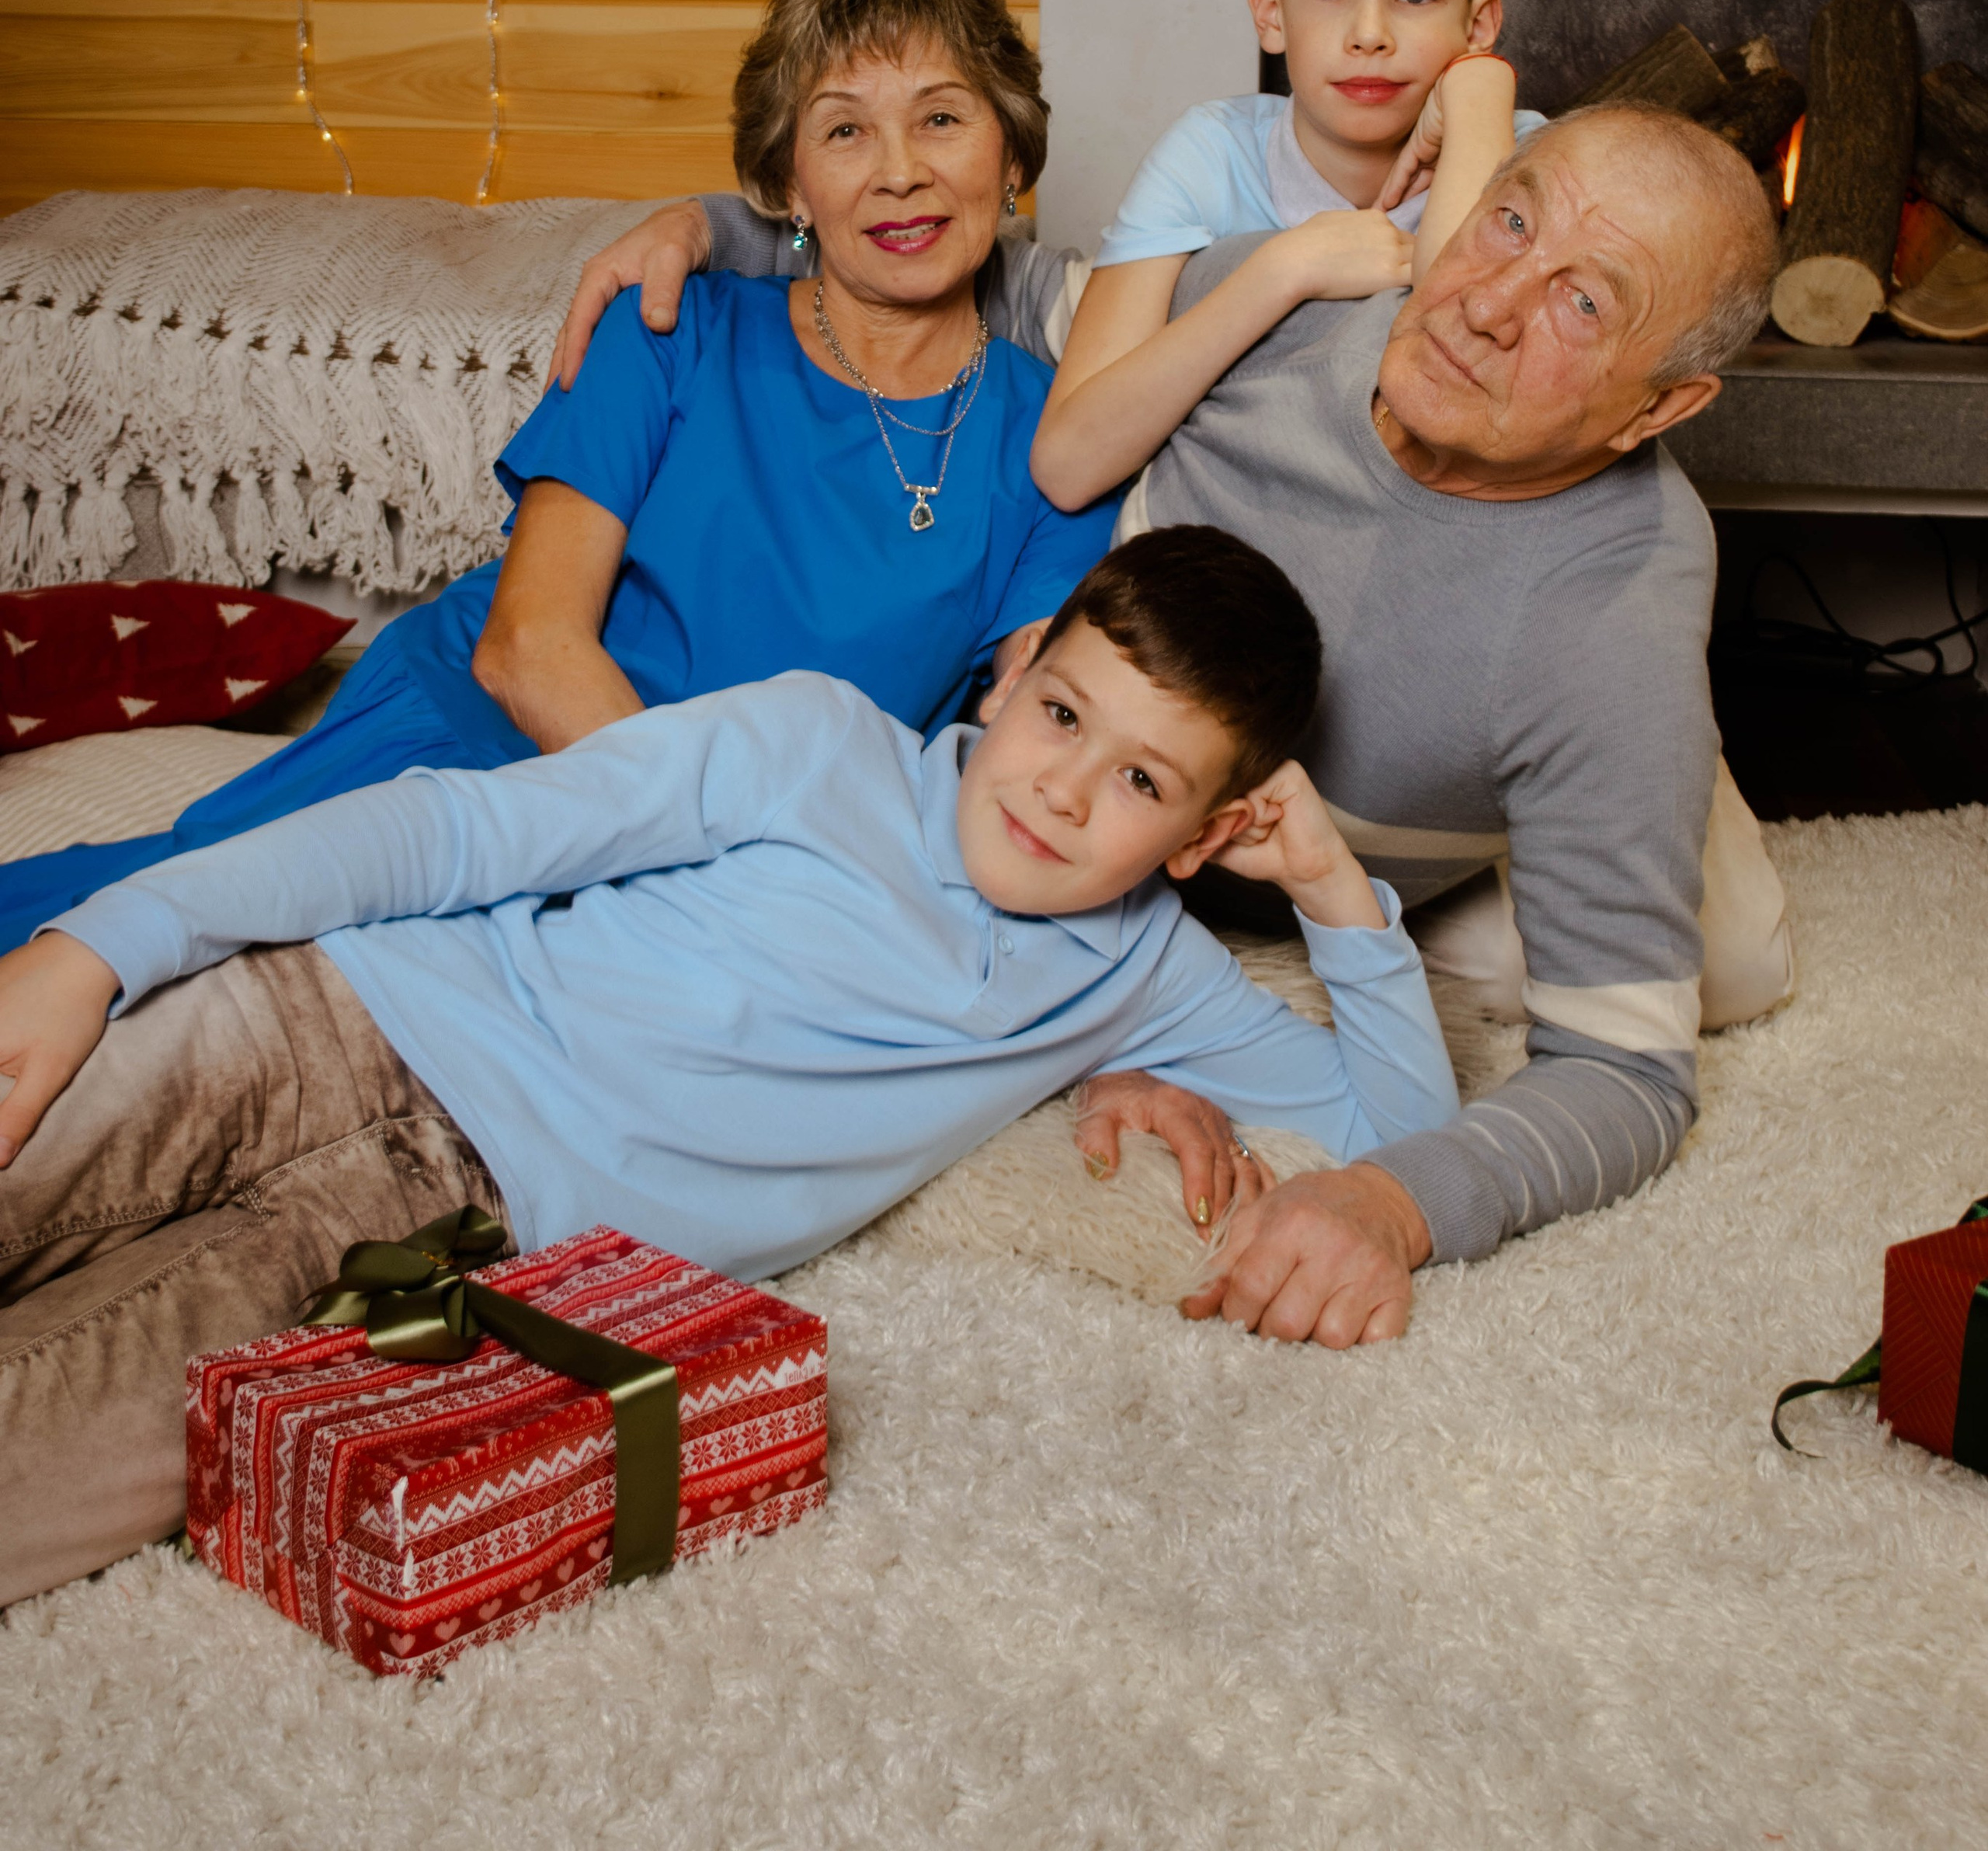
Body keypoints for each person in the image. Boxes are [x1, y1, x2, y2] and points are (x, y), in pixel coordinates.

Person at [0, 529, 1460, 1602]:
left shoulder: (1144, 976)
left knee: (40, 1472)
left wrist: (1330, 884)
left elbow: (1399, 1134)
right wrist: (103, 947)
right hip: (320, 1024)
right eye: (1063, 715)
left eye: (1142, 782)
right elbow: (461, 832)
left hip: (428, 1252)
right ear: (1016, 671)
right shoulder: (816, 744)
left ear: (1208, 836)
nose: (1065, 791)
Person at [552, 101, 1793, 1348]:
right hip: (1148, 819)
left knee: (1725, 965)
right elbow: (1004, 282)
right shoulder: (1291, 298)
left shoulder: (1610, 625)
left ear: (1657, 409)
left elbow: (1627, 1075)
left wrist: (1393, 1199)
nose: (1488, 304)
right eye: (1509, 222)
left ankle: (1669, 813)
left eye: (1585, 302)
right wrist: (717, 232)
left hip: (1375, 821)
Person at [0, 0, 1117, 959]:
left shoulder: (1060, 443)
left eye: (942, 118)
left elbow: (1031, 735)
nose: (899, 170)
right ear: (789, 187)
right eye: (844, 130)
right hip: (489, 748)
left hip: (746, 855)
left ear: (1012, 151)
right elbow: (525, 649)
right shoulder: (668, 330)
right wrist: (712, 867)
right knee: (159, 934)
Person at [1031, 0, 1545, 509]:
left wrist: (1480, 91)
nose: (1369, 36)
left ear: (1478, 27)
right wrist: (1284, 269)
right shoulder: (1211, 153)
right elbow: (1069, 467)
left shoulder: (1530, 155)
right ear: (1272, 14)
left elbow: (1460, 327)